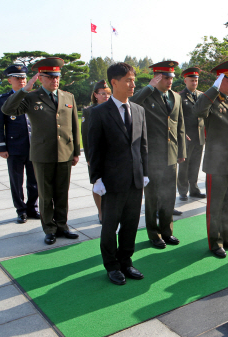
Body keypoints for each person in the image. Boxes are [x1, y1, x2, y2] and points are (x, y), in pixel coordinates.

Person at [1, 57, 80, 245]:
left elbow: (74, 127)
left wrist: (76, 151)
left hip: (65, 153)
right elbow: (7, 109)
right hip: (42, 154)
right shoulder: (30, 97)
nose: (55, 80)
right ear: (41, 78)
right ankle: (49, 229)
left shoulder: (68, 97)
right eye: (51, 77)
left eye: (57, 77)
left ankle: (62, 225)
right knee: (45, 195)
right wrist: (24, 89)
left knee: (62, 192)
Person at [88, 62, 149, 285]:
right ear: (114, 83)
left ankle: (126, 261)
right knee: (110, 225)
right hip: (112, 181)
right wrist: (96, 179)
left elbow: (143, 146)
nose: (133, 84)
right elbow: (94, 149)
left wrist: (145, 172)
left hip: (135, 180)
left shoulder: (139, 111)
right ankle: (112, 266)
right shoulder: (99, 113)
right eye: (128, 80)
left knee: (131, 223)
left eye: (133, 80)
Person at [192, 59, 228, 258]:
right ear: (219, 80)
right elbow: (197, 111)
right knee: (215, 205)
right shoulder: (209, 99)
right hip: (217, 163)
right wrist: (213, 89)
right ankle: (215, 242)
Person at [130, 61, 185, 249]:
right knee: (152, 198)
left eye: (171, 77)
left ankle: (167, 231)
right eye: (165, 77)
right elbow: (131, 103)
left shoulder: (175, 97)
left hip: (171, 155)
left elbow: (180, 125)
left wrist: (182, 151)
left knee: (169, 196)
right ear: (157, 77)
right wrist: (148, 87)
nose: (169, 81)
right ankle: (154, 234)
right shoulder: (147, 96)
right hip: (152, 156)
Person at [0, 65, 39, 224]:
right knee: (16, 181)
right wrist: (2, 147)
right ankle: (21, 211)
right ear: (9, 80)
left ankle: (32, 208)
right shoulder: (2, 99)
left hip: (33, 146)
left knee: (34, 180)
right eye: (17, 78)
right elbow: (0, 125)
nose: (21, 80)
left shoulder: (33, 96)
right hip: (14, 146)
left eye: (23, 77)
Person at [81, 80, 111, 222]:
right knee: (97, 184)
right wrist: (89, 157)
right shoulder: (88, 111)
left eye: (108, 93)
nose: (106, 96)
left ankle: (110, 210)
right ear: (95, 95)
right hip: (96, 155)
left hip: (111, 154)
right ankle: (101, 212)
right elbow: (85, 136)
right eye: (102, 94)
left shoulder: (113, 108)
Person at [177, 67, 206, 201]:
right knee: (184, 166)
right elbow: (176, 117)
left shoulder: (202, 95)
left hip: (199, 136)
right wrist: (181, 134)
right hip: (187, 137)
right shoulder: (179, 97)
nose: (194, 83)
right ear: (185, 81)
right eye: (192, 80)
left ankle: (194, 189)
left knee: (195, 164)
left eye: (196, 80)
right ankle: (183, 191)